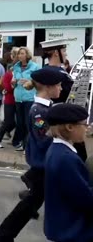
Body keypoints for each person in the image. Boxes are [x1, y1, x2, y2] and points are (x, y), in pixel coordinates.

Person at [0, 66, 64, 242]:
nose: (61, 89)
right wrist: (63, 133)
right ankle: (2, 236)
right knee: (29, 205)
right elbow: (43, 140)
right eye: (59, 85)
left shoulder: (47, 107)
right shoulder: (38, 110)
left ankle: (3, 236)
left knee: (32, 204)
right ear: (48, 87)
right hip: (42, 164)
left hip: (44, 165)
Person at [43, 103, 93, 242]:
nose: (87, 128)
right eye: (84, 124)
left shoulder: (56, 150)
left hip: (62, 227)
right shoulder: (66, 159)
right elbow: (85, 198)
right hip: (72, 231)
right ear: (70, 127)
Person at [11, 47, 40, 151]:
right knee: (20, 123)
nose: (20, 56)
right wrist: (13, 83)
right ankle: (22, 144)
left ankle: (28, 146)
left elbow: (38, 82)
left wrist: (28, 81)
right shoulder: (15, 67)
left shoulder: (35, 67)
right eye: (19, 54)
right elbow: (13, 81)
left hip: (29, 98)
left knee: (28, 123)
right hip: (18, 98)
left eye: (22, 53)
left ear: (27, 55)